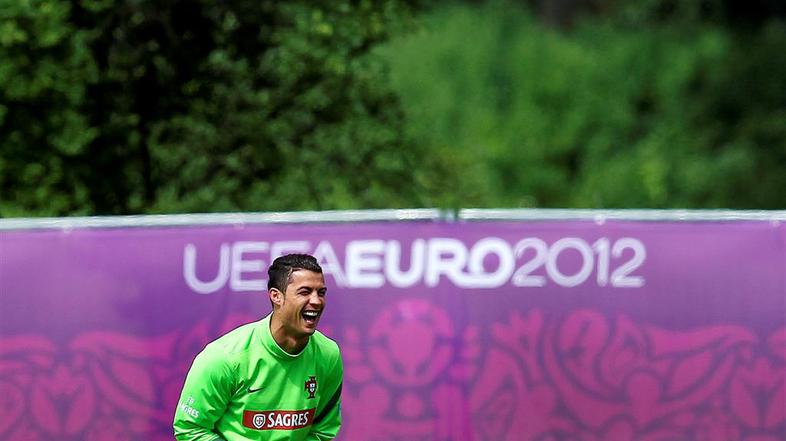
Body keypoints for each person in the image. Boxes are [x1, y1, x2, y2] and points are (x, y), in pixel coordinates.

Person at [173, 254, 343, 440]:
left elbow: (322, 430)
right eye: (305, 292)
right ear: (276, 296)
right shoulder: (225, 356)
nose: (317, 301)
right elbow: (190, 429)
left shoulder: (329, 355)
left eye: (321, 292)